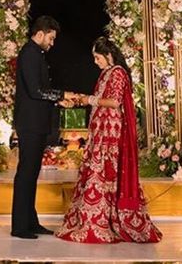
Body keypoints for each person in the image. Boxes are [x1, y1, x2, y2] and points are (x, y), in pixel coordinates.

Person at [56, 37, 162, 244]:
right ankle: (95, 217)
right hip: (101, 128)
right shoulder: (106, 73)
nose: (95, 61)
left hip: (110, 130)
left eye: (97, 57)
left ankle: (103, 219)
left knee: (105, 171)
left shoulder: (118, 72)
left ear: (108, 55)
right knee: (98, 170)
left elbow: (114, 102)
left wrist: (89, 100)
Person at [11, 15, 73, 239]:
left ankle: (30, 221)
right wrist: (61, 94)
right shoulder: (29, 54)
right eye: (51, 38)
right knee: (26, 173)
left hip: (35, 122)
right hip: (29, 123)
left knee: (31, 173)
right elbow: (35, 91)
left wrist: (57, 100)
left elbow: (40, 91)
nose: (52, 43)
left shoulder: (36, 54)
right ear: (40, 33)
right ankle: (20, 226)